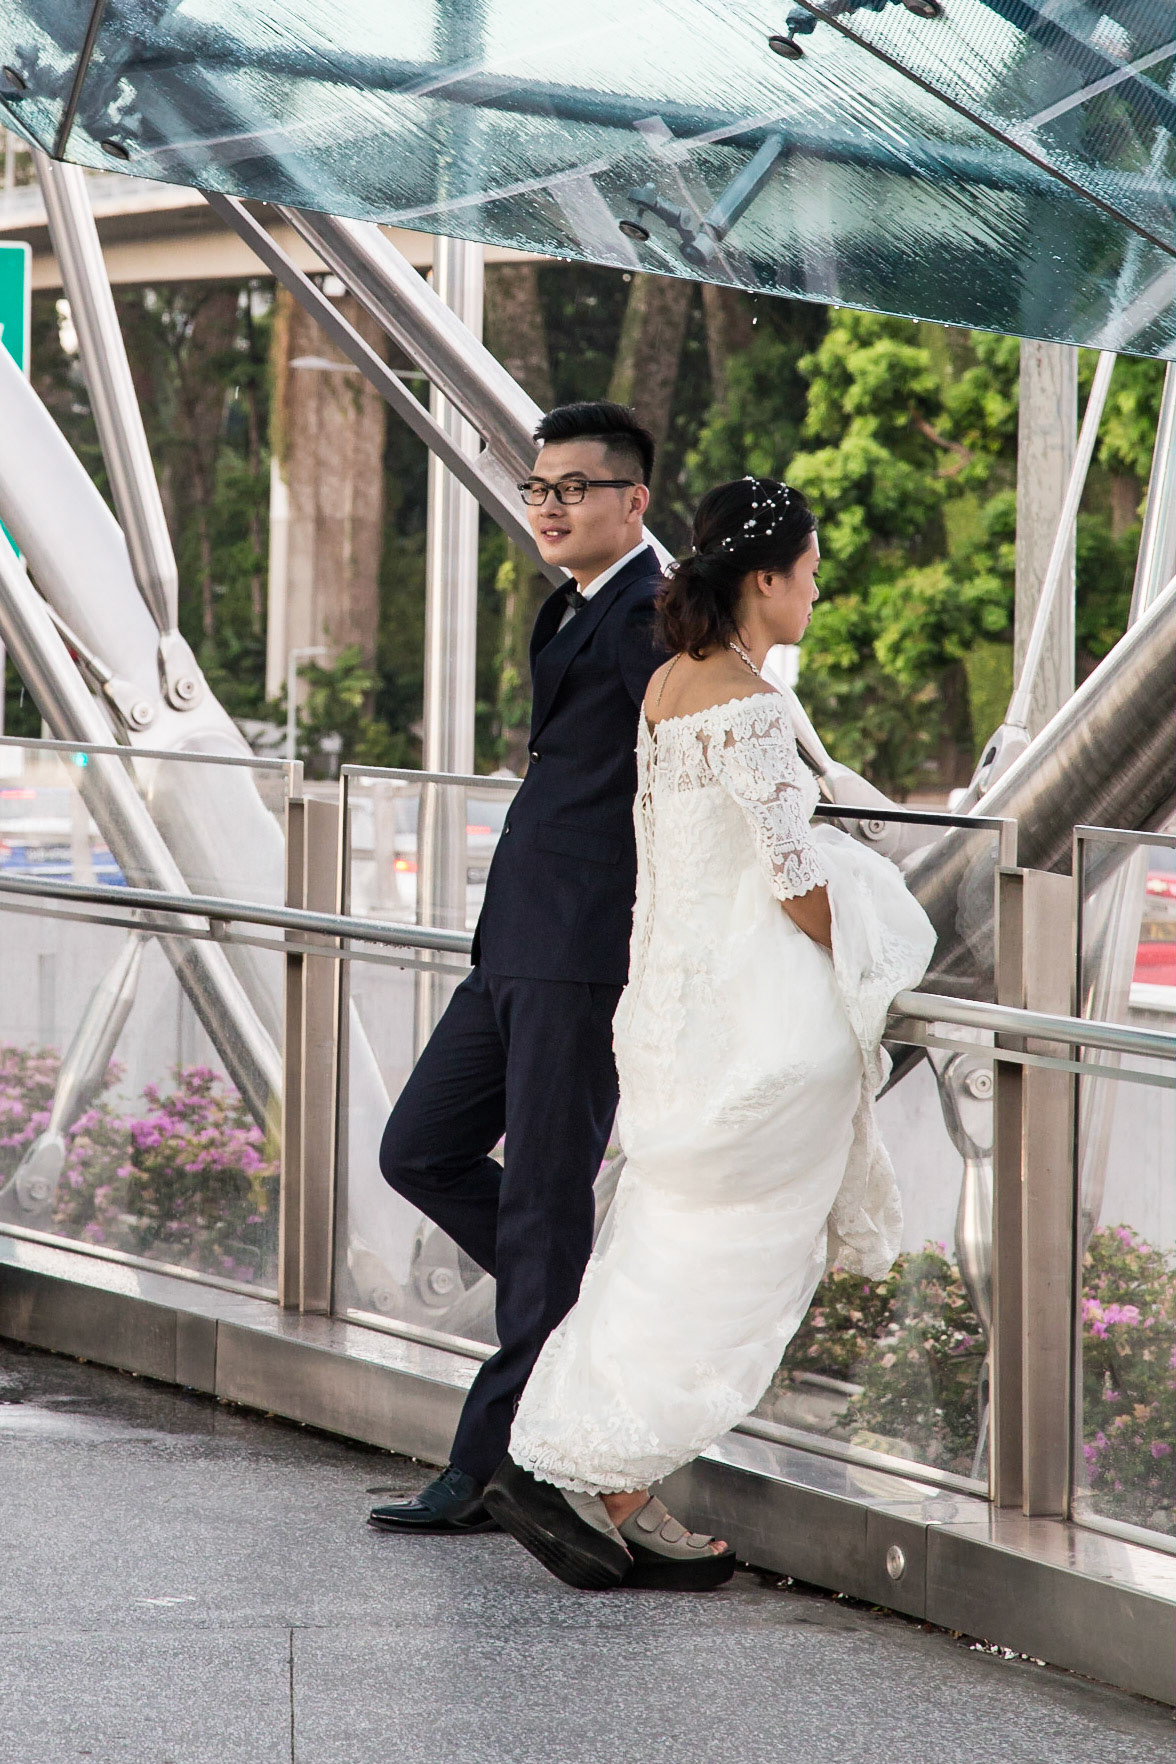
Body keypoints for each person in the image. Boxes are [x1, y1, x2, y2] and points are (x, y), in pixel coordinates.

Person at [484, 477, 936, 1590]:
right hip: (747, 1028)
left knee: (659, 1252)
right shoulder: (746, 701)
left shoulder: (668, 689)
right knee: (728, 1265)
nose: (819, 590)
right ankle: (586, 1465)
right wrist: (871, 956)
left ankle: (609, 1483)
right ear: (765, 579)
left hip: (668, 1019)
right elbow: (793, 882)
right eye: (813, 572)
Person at [370, 402, 667, 1535]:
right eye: (539, 488)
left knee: (543, 1206)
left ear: (633, 501)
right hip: (513, 946)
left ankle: (489, 1463)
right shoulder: (575, 606)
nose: (547, 506)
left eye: (573, 489)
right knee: (419, 1148)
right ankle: (576, 1305)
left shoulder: (652, 616)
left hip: (582, 948)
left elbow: (694, 767)